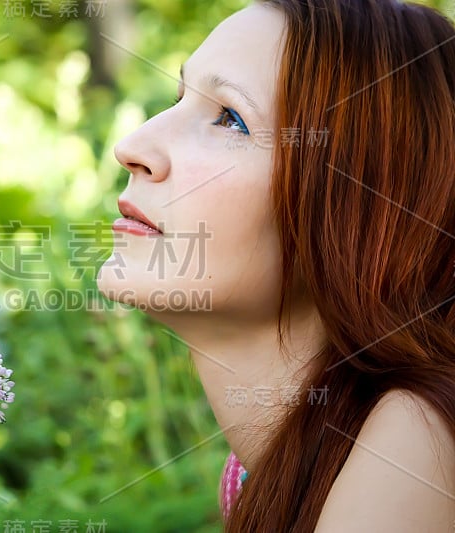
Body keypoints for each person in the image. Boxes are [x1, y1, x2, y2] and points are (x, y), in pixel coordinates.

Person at [97, 0, 455, 530]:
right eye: (179, 98)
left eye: (230, 118)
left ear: (359, 208)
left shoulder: (415, 445)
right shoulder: (253, 471)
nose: (133, 147)